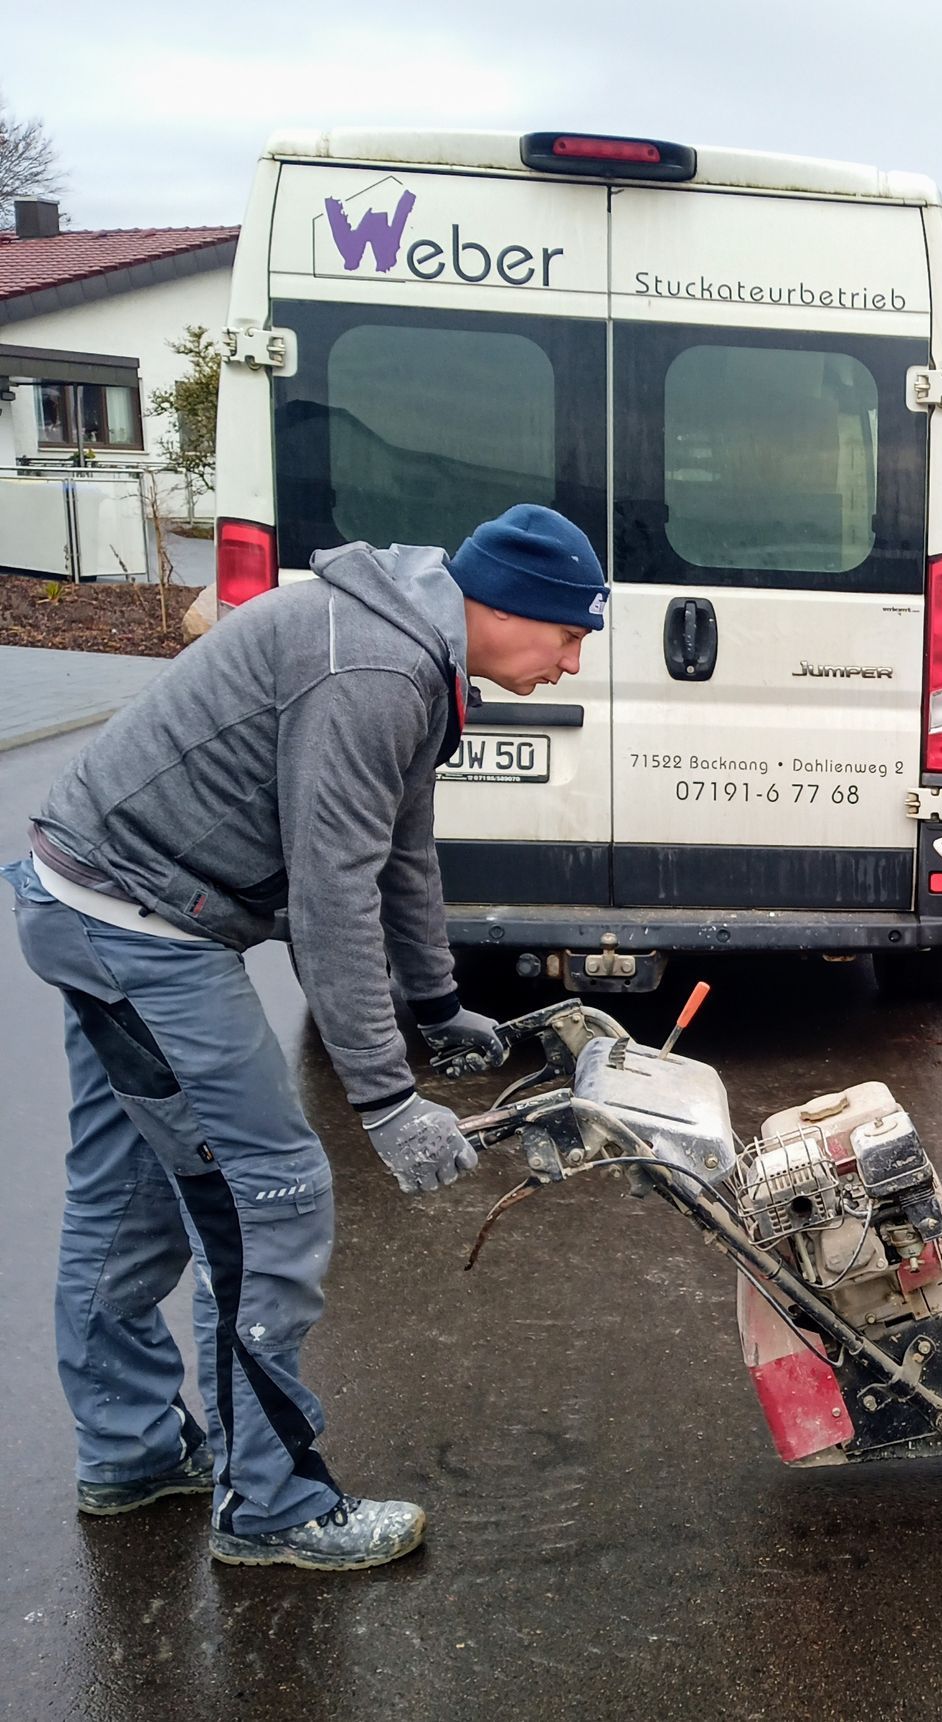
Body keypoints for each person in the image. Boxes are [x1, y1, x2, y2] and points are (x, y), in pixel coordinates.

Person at [4, 503, 609, 1572]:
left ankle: (132, 1453)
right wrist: (383, 1101)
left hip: (94, 893)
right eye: (569, 636)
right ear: (505, 607)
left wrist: (436, 1006)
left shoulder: (415, 652)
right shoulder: (375, 669)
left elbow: (401, 851)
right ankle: (273, 1507)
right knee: (268, 1196)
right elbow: (331, 897)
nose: (572, 661)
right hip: (138, 922)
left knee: (135, 1190)